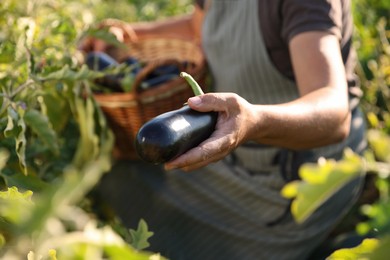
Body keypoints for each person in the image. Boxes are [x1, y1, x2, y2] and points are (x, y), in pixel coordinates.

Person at [81, 0, 367, 259]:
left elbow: (333, 112)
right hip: (234, 144)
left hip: (297, 181)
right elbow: (200, 25)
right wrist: (128, 37)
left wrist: (254, 120)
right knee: (103, 172)